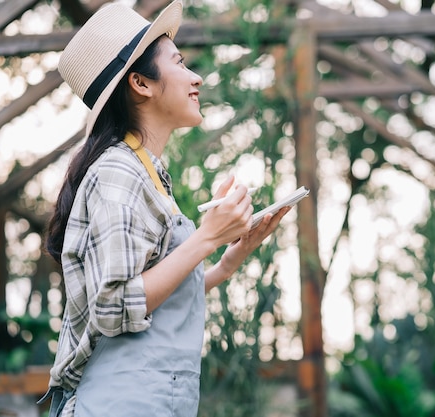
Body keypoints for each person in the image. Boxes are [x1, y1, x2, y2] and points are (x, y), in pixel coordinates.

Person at [39, 1, 291, 416]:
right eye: (179, 63)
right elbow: (114, 305)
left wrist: (228, 260)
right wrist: (207, 237)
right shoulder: (118, 171)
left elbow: (151, 297)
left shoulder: (146, 171)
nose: (197, 78)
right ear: (141, 83)